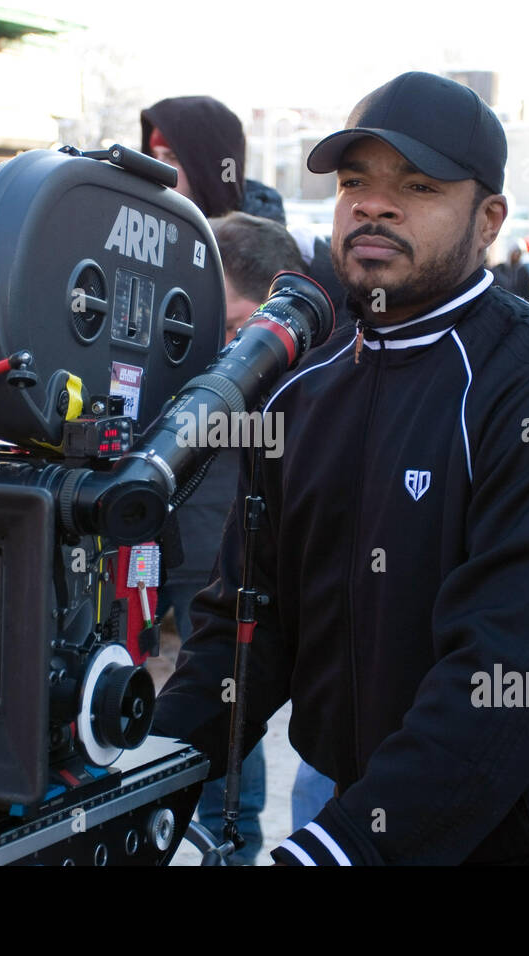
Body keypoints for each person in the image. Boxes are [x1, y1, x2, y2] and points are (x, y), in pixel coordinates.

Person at [153, 73, 529, 865]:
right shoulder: (302, 393)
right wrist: (145, 776)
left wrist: (332, 853)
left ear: (488, 219)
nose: (374, 206)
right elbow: (247, 627)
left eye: (416, 186)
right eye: (356, 182)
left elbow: (500, 688)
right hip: (350, 798)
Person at [155, 211, 303, 864]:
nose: (228, 347)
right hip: (174, 534)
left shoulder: (307, 364)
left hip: (223, 540)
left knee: (235, 702)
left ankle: (232, 846)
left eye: (241, 327)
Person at [141, 96, 284, 224]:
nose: (156, 168)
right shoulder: (143, 224)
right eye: (153, 156)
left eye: (172, 157)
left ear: (207, 168)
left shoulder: (260, 244)